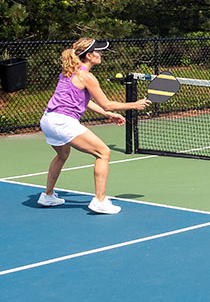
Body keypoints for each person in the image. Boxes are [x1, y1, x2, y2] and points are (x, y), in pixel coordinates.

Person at [38, 38, 151, 214]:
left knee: (62, 154)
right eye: (98, 51)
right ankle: (99, 200)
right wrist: (134, 105)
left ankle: (47, 195)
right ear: (89, 56)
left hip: (48, 120)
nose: (101, 54)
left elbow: (85, 101)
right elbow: (106, 103)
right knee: (103, 153)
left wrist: (108, 115)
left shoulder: (69, 71)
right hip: (63, 122)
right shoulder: (88, 77)